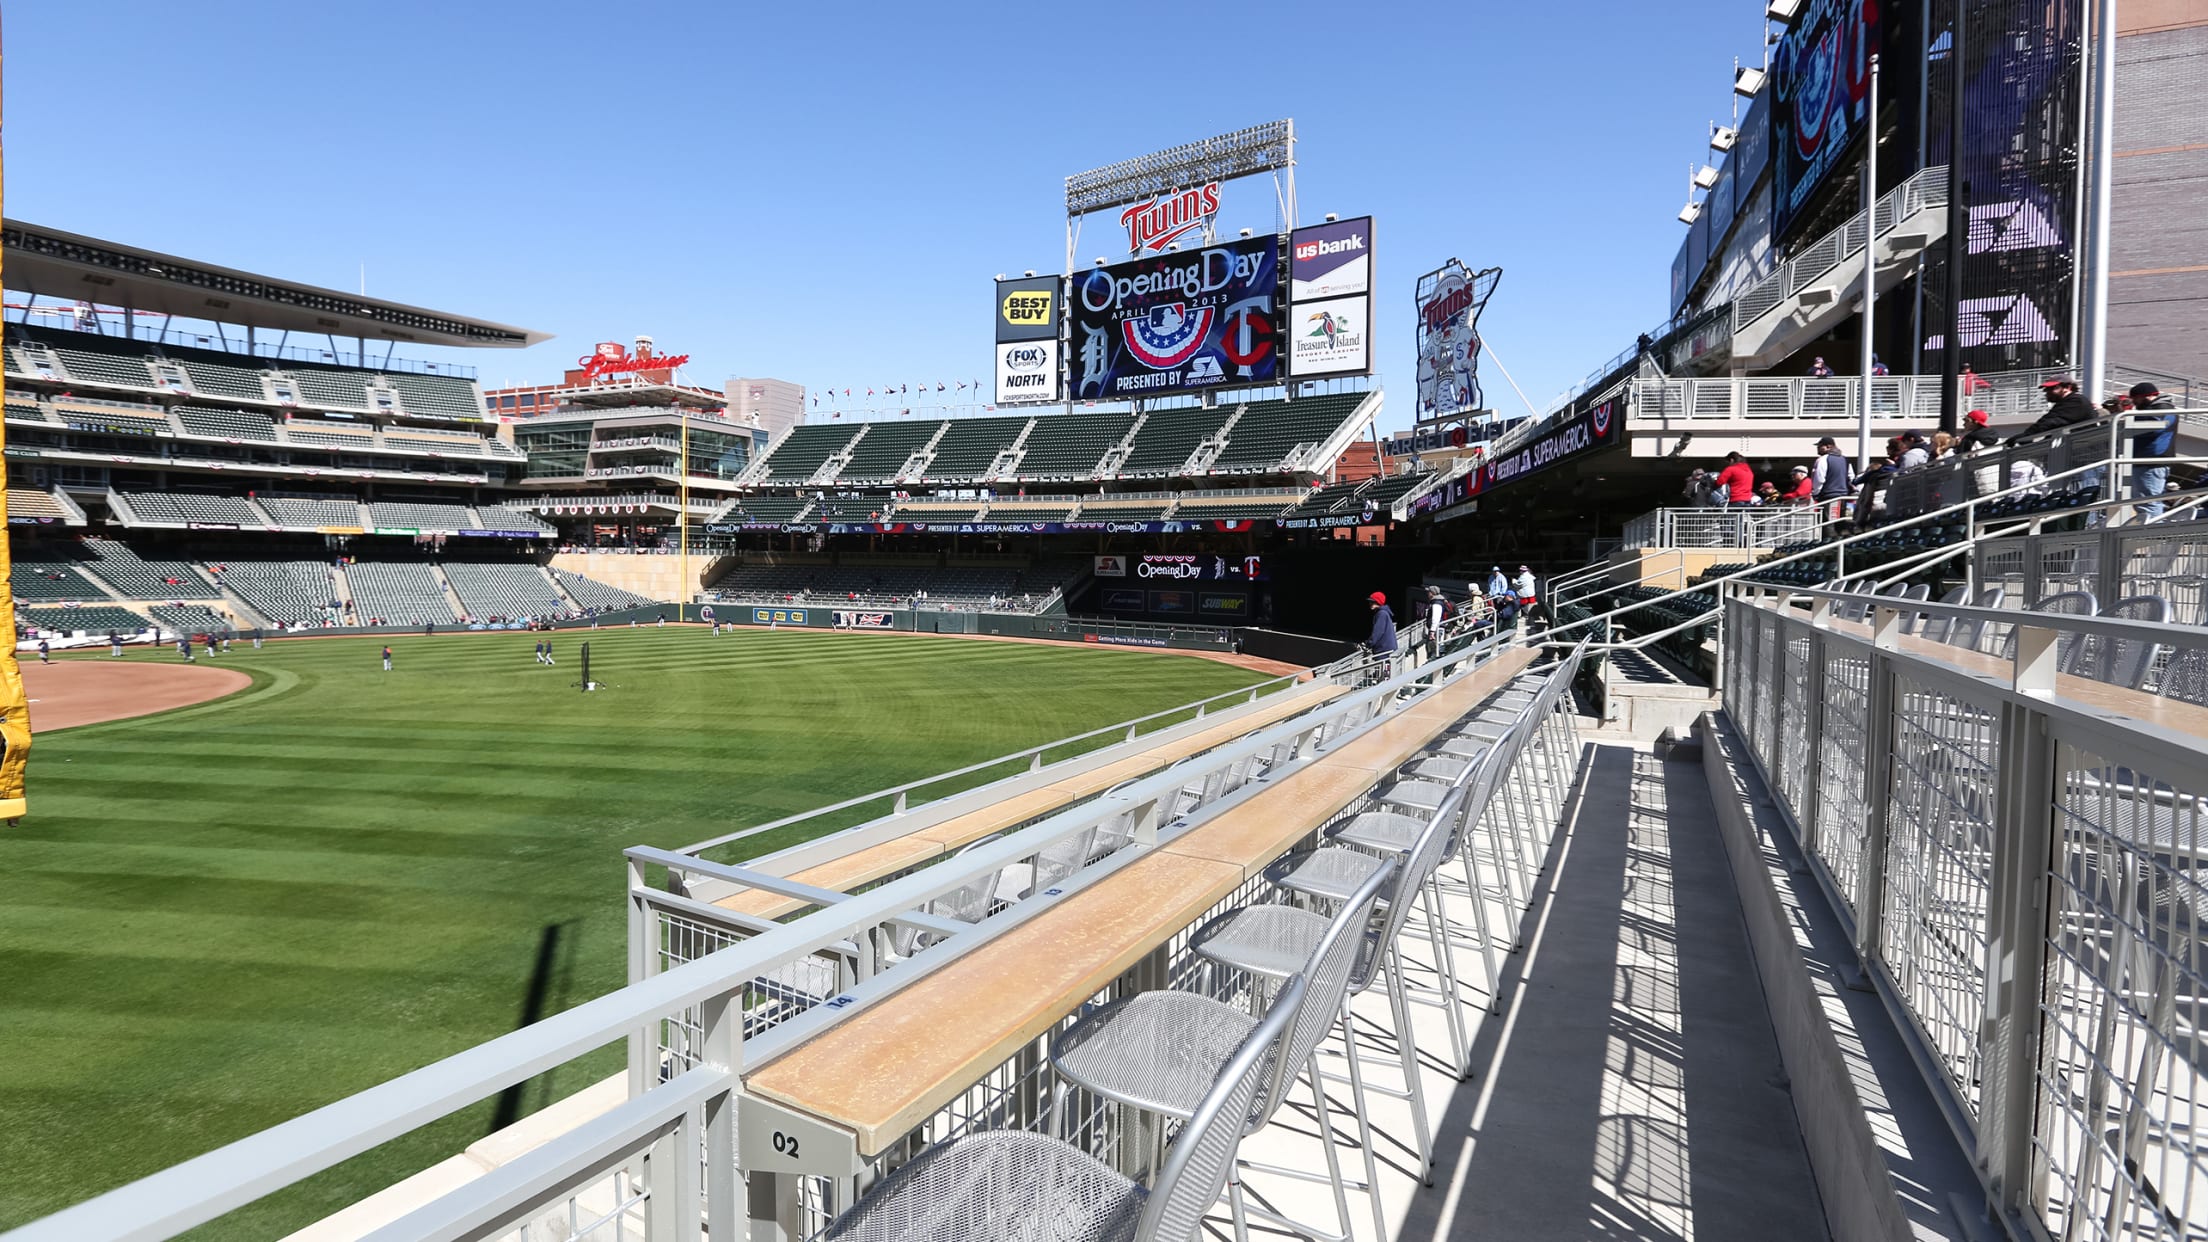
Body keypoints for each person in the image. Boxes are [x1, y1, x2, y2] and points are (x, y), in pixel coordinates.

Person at [2130, 381, 2179, 519]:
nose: (2134, 402)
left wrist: (2130, 419)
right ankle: (2150, 532)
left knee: (2148, 502)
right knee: (2145, 501)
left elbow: (2156, 426)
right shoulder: (2156, 408)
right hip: (2148, 461)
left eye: (2135, 398)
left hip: (2152, 461)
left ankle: (2151, 534)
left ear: (2145, 396)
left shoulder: (2162, 408)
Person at [2020, 375, 2100, 437]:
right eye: (2046, 389)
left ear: (2068, 387)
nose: (2048, 392)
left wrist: (2028, 434)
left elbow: (2052, 421)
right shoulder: (2067, 402)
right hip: (2076, 448)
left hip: (2083, 450)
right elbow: (2050, 420)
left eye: (2052, 388)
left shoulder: (2076, 401)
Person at [1810, 436, 1853, 519]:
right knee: (1841, 523)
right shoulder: (1845, 459)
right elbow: (1851, 477)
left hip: (1828, 496)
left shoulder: (1823, 459)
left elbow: (1819, 479)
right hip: (1844, 496)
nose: (1817, 449)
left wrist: (1815, 493)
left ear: (1828, 446)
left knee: (1829, 523)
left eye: (1819, 446)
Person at [1365, 590, 1398, 675]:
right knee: (1384, 674)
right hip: (1387, 649)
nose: (1370, 604)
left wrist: (1369, 643)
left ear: (1378, 602)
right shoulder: (1383, 613)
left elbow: (1378, 632)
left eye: (1372, 602)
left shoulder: (1381, 614)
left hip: (1384, 651)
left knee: (1383, 675)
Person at [1424, 585, 1446, 661]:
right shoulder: (1437, 602)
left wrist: (1432, 631)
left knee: (1434, 650)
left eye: (1429, 592)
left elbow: (1436, 618)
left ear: (1432, 593)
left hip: (1436, 630)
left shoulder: (1436, 603)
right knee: (1437, 648)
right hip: (1437, 629)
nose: (1427, 593)